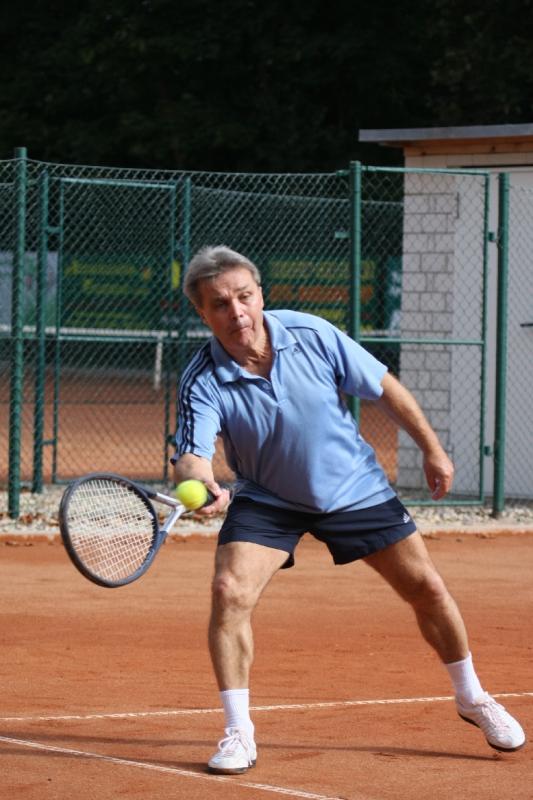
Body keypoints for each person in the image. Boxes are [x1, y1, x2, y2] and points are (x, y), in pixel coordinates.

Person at [172, 245, 526, 774]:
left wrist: (432, 448)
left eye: (244, 297)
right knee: (229, 591)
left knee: (427, 588)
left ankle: (472, 697)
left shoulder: (311, 333)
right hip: (268, 498)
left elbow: (385, 388)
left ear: (260, 295)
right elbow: (191, 457)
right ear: (202, 313)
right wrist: (203, 483)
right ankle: (239, 732)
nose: (237, 312)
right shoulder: (201, 377)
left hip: (354, 486)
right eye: (220, 304)